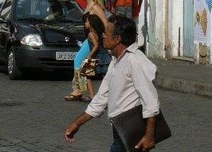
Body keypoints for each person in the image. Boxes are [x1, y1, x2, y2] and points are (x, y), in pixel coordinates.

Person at [65, 15, 160, 152]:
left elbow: (151, 102)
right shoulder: (116, 61)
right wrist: (77, 123)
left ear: (117, 39)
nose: (103, 36)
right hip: (119, 132)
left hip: (133, 133)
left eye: (106, 34)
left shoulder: (136, 61)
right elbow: (101, 98)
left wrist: (149, 136)